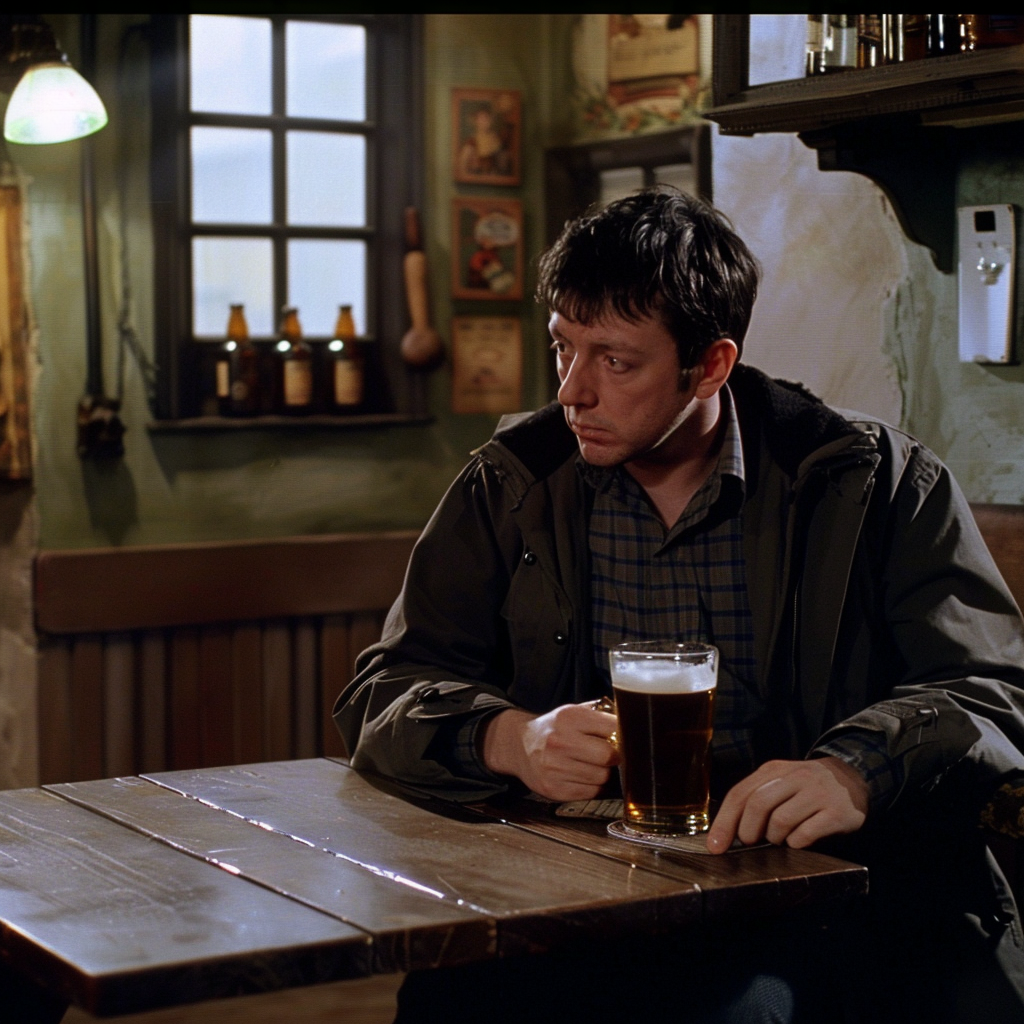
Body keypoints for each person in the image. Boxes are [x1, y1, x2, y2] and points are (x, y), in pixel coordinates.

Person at [335, 188, 1024, 1023]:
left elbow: (990, 688)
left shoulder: (874, 483)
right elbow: (382, 692)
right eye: (564, 348)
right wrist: (509, 738)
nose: (572, 392)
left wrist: (856, 771)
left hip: (808, 891)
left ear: (711, 365)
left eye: (615, 361)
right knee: (447, 1003)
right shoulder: (511, 480)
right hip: (574, 890)